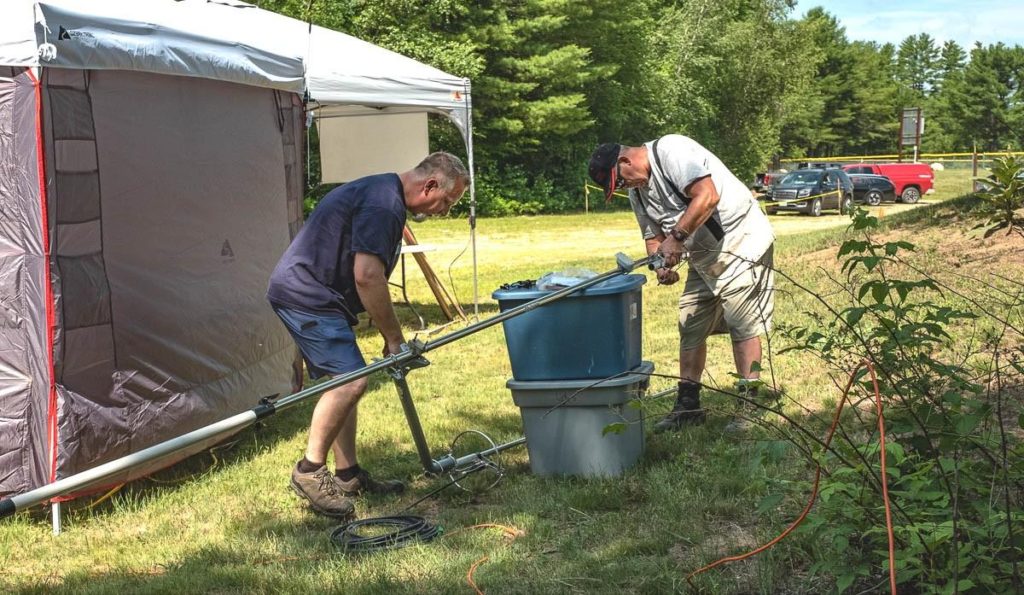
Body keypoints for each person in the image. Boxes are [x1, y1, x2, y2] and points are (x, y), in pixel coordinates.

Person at [267, 152, 469, 518]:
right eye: (447, 201)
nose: (445, 210)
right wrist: (395, 338)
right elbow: (367, 276)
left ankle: (347, 475)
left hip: (317, 293)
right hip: (306, 294)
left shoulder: (384, 193)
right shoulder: (384, 205)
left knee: (344, 379)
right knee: (350, 381)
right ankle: (309, 471)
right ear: (430, 185)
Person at [588, 135, 775, 433]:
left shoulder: (672, 151)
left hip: (742, 241)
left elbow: (707, 196)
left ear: (625, 161)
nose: (625, 188)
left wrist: (675, 239)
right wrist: (660, 266)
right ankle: (689, 406)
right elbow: (652, 238)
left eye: (620, 182)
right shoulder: (638, 193)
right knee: (690, 323)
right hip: (704, 256)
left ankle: (749, 406)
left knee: (741, 323)